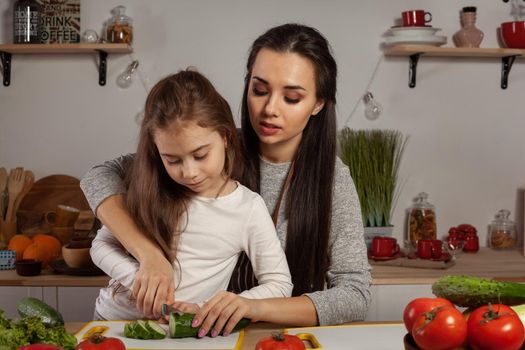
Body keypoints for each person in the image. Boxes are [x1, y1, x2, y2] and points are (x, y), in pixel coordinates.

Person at [81, 23, 371, 333]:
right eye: (259, 90)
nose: (269, 109)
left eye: (291, 98)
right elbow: (99, 176)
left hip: (265, 334)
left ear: (318, 103)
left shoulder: (331, 180)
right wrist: (148, 255)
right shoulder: (211, 148)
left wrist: (252, 306)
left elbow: (354, 294)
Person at [88, 70, 292, 321]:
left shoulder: (247, 207)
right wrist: (142, 278)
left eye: (200, 155)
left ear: (226, 137)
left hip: (183, 331)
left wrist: (211, 307)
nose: (189, 172)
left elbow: (280, 283)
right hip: (112, 320)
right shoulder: (143, 186)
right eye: (172, 160)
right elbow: (100, 246)